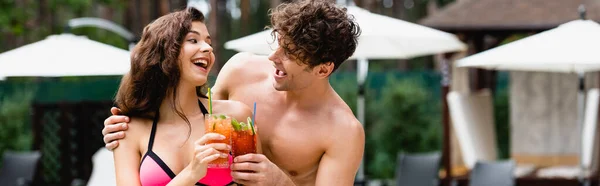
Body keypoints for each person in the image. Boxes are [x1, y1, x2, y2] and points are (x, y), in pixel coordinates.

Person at [104, 0, 364, 185]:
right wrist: (123, 126)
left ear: (323, 69)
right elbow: (192, 116)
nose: (273, 57)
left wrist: (279, 181)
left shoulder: (342, 130)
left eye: (290, 53)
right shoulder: (242, 70)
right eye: (278, 43)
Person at [111, 7, 253, 186]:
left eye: (209, 42)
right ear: (163, 51)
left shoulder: (235, 117)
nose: (208, 48)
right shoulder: (129, 130)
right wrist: (192, 173)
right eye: (193, 40)